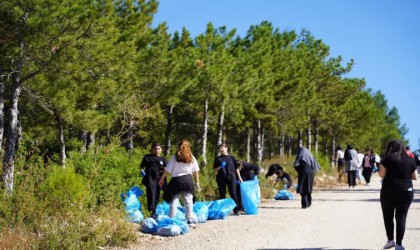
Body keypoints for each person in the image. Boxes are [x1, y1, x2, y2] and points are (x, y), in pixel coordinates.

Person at [379, 139, 417, 250]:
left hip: (388, 191)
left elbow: (381, 175)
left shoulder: (386, 159)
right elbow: (415, 177)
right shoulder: (410, 160)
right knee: (401, 217)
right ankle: (399, 245)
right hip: (406, 191)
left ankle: (390, 240)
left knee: (388, 216)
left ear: (390, 148)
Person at [159, 140, 200, 224]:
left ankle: (171, 219)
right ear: (189, 147)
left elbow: (167, 170)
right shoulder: (191, 157)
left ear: (179, 146)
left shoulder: (175, 157)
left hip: (176, 181)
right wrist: (197, 182)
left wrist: (161, 179)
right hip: (188, 180)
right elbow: (195, 171)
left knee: (174, 200)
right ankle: (189, 219)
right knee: (188, 201)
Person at [140, 142, 167, 216]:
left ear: (161, 150)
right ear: (152, 149)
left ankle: (154, 209)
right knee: (151, 193)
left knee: (157, 194)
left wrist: (161, 171)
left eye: (158, 149)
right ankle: (151, 210)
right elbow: (142, 166)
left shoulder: (163, 159)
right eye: (155, 148)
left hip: (159, 178)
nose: (156, 150)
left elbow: (166, 169)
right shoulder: (147, 157)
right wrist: (142, 171)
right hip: (150, 177)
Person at [213, 143, 240, 215]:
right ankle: (223, 210)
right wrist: (219, 167)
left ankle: (236, 209)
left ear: (226, 148)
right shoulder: (218, 159)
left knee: (233, 193)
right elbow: (214, 170)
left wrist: (239, 178)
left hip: (231, 177)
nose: (221, 150)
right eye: (220, 149)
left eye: (222, 148)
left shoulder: (232, 158)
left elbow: (236, 169)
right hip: (221, 178)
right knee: (222, 194)